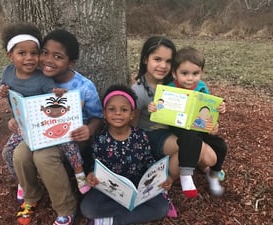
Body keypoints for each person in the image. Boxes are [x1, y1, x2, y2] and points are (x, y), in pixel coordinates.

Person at [11, 29, 103, 225]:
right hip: (41, 133)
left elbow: (98, 117)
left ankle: (66, 208)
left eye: (58, 56)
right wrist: (16, 120)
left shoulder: (84, 86)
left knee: (44, 157)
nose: (48, 60)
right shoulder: (34, 78)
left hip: (73, 137)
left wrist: (89, 129)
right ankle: (31, 195)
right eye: (44, 52)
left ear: (71, 62)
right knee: (19, 154)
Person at [0, 23, 91, 206]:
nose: (29, 58)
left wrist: (57, 94)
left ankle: (79, 174)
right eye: (22, 53)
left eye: (34, 53)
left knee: (68, 143)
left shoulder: (42, 77)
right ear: (10, 55)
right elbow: (3, 86)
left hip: (46, 125)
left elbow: (52, 99)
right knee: (8, 152)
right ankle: (23, 183)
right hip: (23, 126)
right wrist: (1, 90)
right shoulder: (7, 73)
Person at [131, 36, 220, 198]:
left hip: (180, 130)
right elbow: (134, 125)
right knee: (199, 151)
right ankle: (164, 181)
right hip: (154, 135)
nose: (163, 66)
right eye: (157, 59)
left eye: (168, 61)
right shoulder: (139, 90)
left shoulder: (173, 81)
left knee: (211, 158)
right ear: (145, 59)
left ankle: (192, 165)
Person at [80, 84, 174, 225]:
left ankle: (110, 221)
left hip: (138, 189)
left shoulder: (140, 136)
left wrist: (161, 179)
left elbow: (149, 161)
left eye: (124, 109)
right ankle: (133, 212)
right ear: (104, 113)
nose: (118, 113)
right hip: (110, 189)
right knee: (87, 209)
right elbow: (95, 164)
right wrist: (92, 175)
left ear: (132, 114)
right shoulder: (100, 139)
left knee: (162, 208)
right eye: (112, 109)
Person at [167, 46, 227, 196]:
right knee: (190, 138)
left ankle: (213, 176)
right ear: (174, 73)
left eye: (195, 73)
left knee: (221, 145)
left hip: (200, 125)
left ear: (202, 72)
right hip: (180, 127)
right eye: (185, 73)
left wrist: (219, 109)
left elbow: (209, 107)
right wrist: (154, 107)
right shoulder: (170, 88)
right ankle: (186, 175)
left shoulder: (201, 87)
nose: (190, 78)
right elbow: (163, 107)